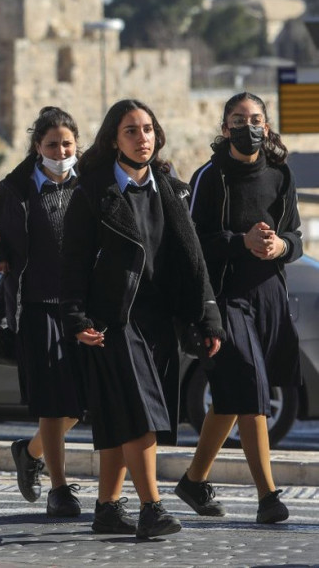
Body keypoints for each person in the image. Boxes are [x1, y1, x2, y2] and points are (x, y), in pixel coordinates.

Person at [62, 99, 224, 538]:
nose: (142, 138)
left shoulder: (170, 189)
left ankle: (107, 507)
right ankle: (152, 507)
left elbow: (193, 261)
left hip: (157, 319)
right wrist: (75, 317)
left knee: (119, 416)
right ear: (114, 138)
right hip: (112, 319)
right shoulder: (93, 192)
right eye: (131, 130)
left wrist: (207, 319)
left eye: (148, 129)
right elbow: (72, 262)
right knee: (140, 412)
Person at [177, 92, 301, 524]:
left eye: (255, 119)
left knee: (231, 396)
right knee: (250, 389)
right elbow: (192, 245)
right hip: (225, 297)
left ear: (265, 126)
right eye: (237, 119)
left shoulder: (281, 175)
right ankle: (269, 496)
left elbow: (296, 237)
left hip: (268, 294)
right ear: (225, 126)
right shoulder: (210, 177)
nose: (247, 126)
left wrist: (279, 245)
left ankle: (193, 480)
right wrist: (240, 242)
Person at [0, 106, 84, 517]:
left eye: (67, 144)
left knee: (80, 403)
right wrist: (2, 250)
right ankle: (59, 488)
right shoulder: (15, 189)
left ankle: (28, 451)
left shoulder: (90, 185)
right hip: (35, 307)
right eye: (52, 144)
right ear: (37, 147)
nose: (60, 151)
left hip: (81, 308)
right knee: (52, 402)